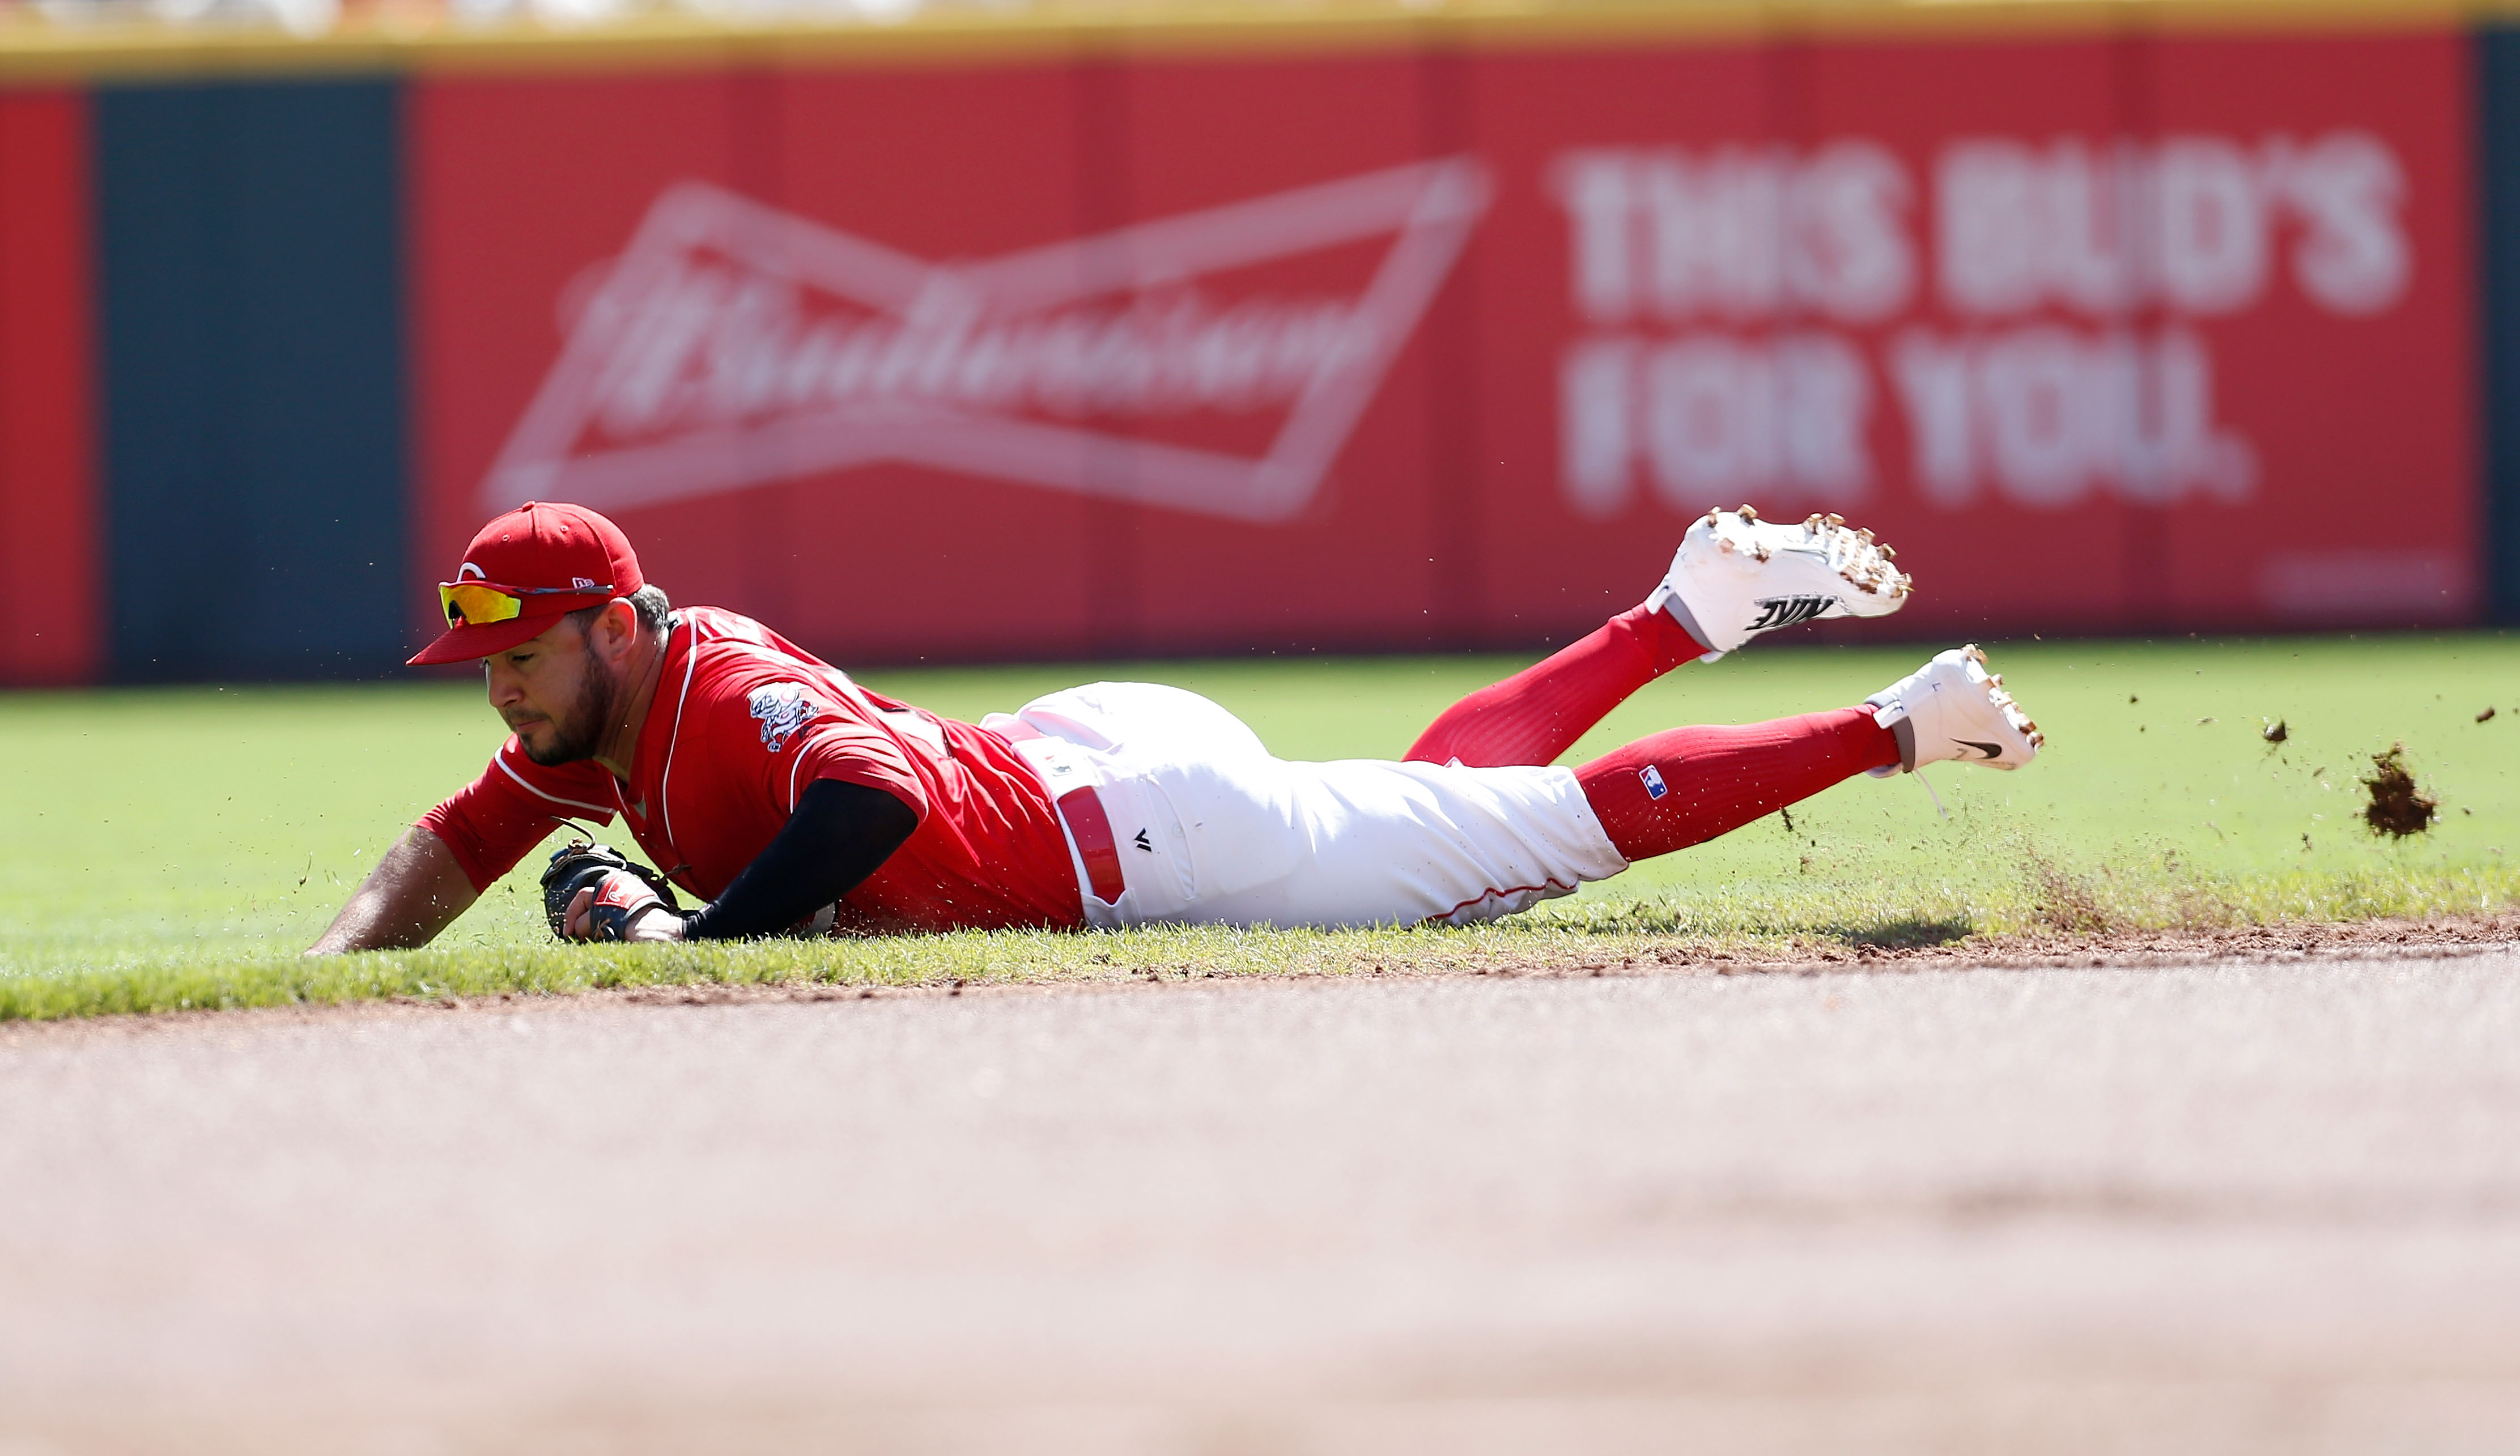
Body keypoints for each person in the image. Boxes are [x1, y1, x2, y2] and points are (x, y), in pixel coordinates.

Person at [308, 501, 2042, 953]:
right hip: (1079, 762)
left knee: (1528, 845)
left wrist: (696, 933)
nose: (503, 684)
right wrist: (331, 969)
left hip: (1134, 837)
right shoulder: (578, 724)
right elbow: (451, 847)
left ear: (613, 624)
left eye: (524, 651)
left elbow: (860, 806)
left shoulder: (723, 692)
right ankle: (1681, 617)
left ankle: (1905, 722)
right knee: (1431, 800)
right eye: (487, 660)